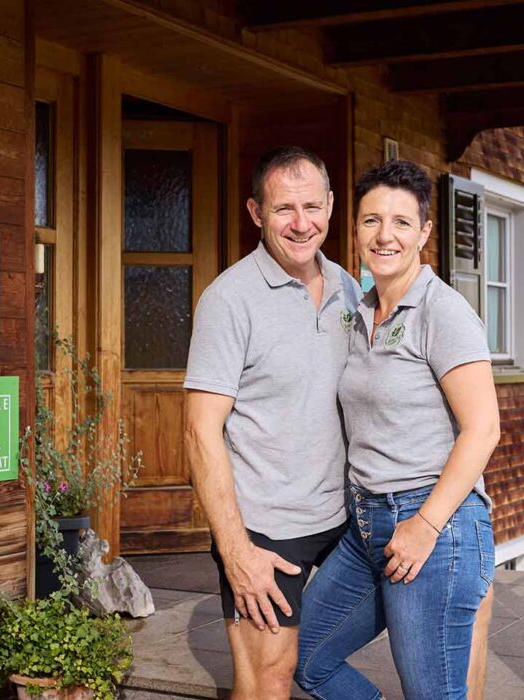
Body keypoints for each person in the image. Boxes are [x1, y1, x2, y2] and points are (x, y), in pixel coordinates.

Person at [295, 160, 500, 700]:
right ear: (355, 228)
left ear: (425, 232)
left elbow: (482, 430)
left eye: (401, 222)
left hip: (435, 527)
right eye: (371, 221)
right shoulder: (360, 311)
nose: (384, 235)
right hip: (367, 529)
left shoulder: (442, 311)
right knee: (304, 657)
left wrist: (425, 526)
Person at [184, 146, 361, 699]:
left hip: (343, 519)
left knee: (334, 662)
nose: (302, 223)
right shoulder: (229, 300)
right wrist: (235, 550)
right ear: (256, 213)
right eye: (284, 209)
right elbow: (199, 431)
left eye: (313, 205)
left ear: (332, 205)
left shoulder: (349, 289)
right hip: (265, 528)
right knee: (268, 681)